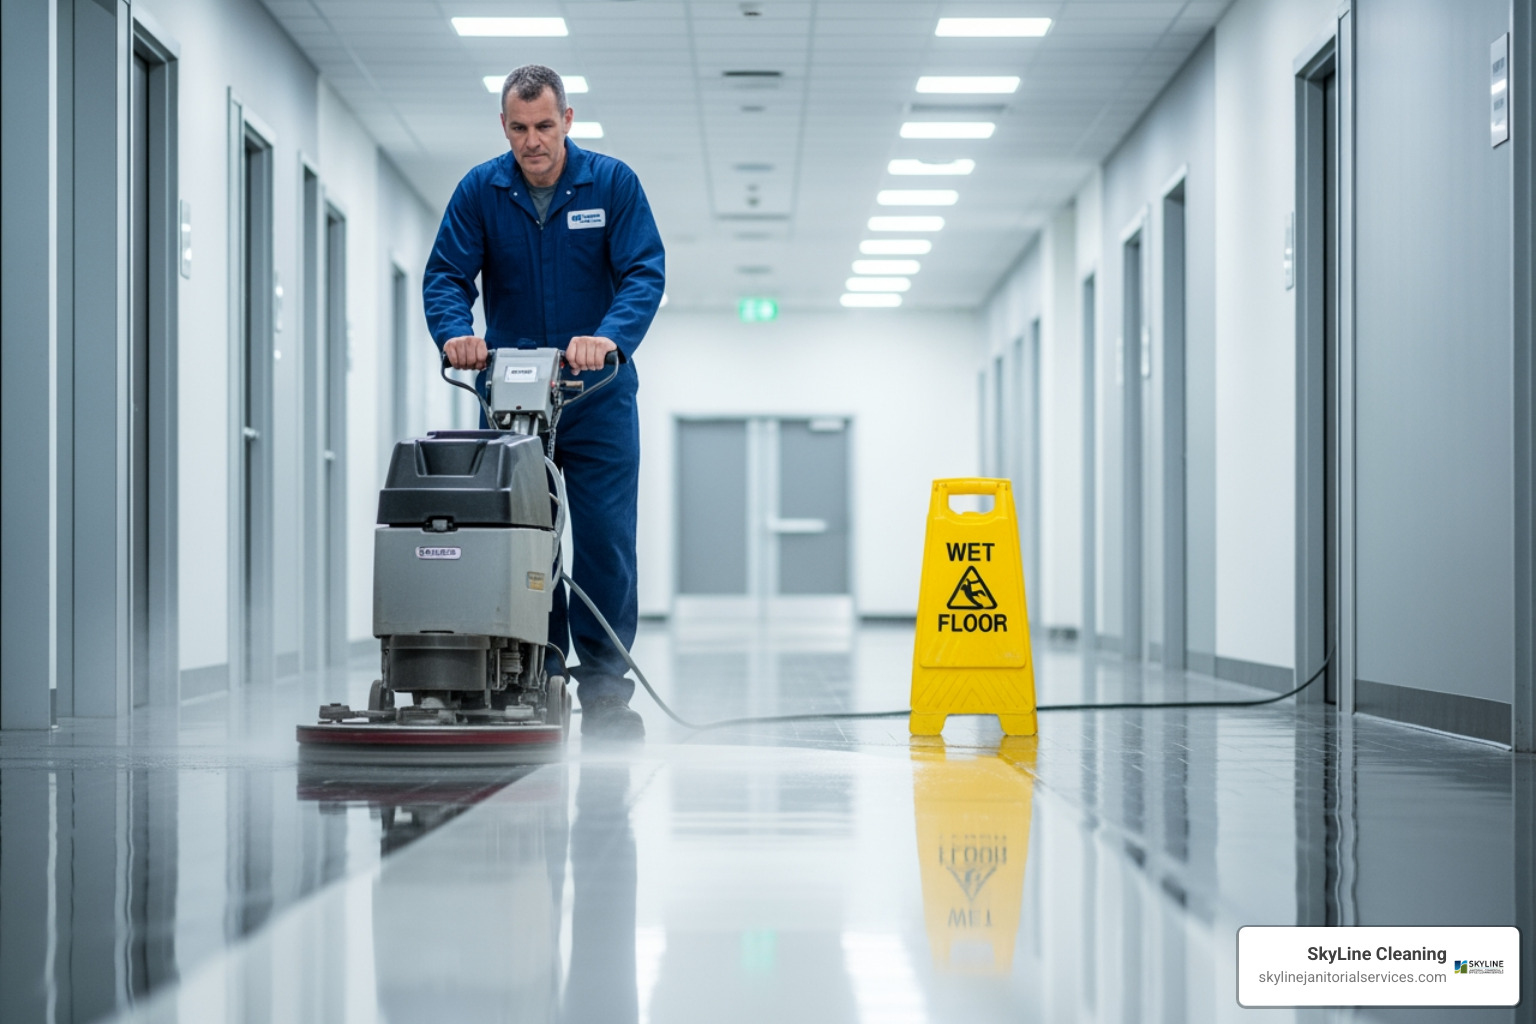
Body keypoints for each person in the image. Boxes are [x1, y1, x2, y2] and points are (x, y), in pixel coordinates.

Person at [423, 64, 664, 741]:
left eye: (545, 126)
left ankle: (607, 688)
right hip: (513, 403)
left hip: (599, 397)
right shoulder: (481, 190)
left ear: (568, 122)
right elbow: (446, 274)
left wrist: (609, 338)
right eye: (520, 128)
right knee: (521, 541)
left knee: (606, 543)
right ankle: (538, 670)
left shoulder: (611, 184)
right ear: (504, 126)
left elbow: (644, 271)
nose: (533, 141)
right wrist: (456, 335)